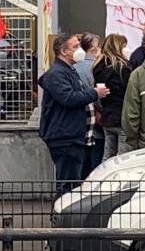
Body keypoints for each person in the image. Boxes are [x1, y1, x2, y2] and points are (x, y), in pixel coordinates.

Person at [38, 32, 109, 194]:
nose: (80, 50)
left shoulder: (69, 71)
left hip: (71, 135)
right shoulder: (57, 73)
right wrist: (94, 93)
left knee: (73, 181)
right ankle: (64, 216)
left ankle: (67, 215)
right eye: (75, 47)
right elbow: (68, 98)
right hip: (64, 136)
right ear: (64, 52)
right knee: (68, 183)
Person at [92, 34, 132, 158]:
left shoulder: (97, 66)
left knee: (108, 155)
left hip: (107, 116)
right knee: (123, 157)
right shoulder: (123, 68)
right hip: (122, 117)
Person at [73, 32, 105, 176]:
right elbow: (100, 93)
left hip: (78, 120)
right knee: (96, 158)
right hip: (96, 119)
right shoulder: (96, 67)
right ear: (93, 49)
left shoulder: (74, 67)